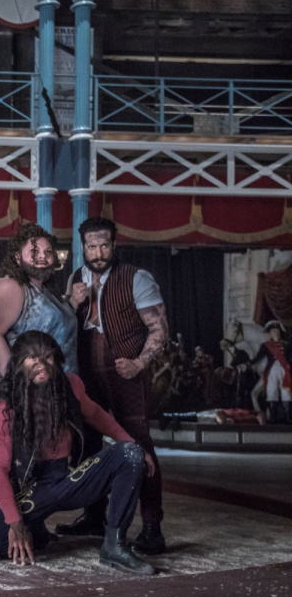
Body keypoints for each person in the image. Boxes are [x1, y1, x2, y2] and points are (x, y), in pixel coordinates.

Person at [0, 331, 157, 576]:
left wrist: (132, 443)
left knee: (130, 454)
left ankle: (115, 545)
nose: (41, 365)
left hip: (68, 479)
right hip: (32, 488)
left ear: (57, 360)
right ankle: (35, 528)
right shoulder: (4, 409)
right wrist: (16, 524)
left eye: (47, 357)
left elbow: (97, 415)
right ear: (17, 365)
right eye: (32, 358)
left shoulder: (70, 385)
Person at [58, 217, 170, 554]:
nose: (98, 252)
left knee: (138, 443)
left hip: (125, 374)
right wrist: (71, 303)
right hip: (85, 373)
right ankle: (94, 516)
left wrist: (138, 363)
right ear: (83, 246)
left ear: (114, 244)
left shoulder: (136, 277)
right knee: (87, 443)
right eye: (91, 246)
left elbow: (159, 330)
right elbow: (64, 325)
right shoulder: (75, 279)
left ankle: (152, 528)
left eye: (104, 245)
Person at [0, 222, 76, 549]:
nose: (42, 256)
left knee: (30, 456)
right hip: (4, 386)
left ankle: (28, 522)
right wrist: (15, 382)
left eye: (48, 251)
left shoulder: (43, 290)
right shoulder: (12, 286)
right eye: (33, 251)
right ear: (17, 256)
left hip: (41, 387)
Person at [255, 321, 291, 425]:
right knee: (272, 391)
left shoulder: (287, 345)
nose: (276, 333)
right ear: (270, 333)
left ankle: (288, 417)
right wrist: (248, 363)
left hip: (285, 369)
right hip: (272, 369)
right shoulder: (266, 346)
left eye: (277, 330)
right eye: (273, 331)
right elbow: (258, 357)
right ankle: (273, 417)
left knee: (286, 392)